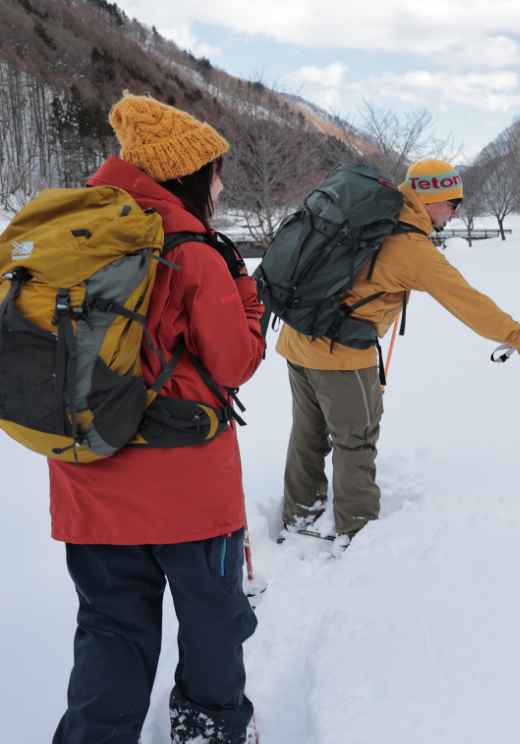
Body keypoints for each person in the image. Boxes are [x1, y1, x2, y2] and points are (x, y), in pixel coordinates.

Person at [48, 93, 265, 743]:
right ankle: (209, 727)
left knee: (111, 629)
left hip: (89, 475)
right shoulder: (194, 249)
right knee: (211, 625)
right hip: (188, 490)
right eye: (216, 172)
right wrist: (249, 298)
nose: (221, 186)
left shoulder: (70, 235)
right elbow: (233, 363)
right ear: (190, 175)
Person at [277, 158, 520, 543]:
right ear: (431, 199)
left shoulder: (374, 214)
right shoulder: (412, 249)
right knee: (356, 439)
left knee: (308, 434)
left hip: (298, 338)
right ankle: (357, 528)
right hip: (340, 357)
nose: (455, 214)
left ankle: (299, 514)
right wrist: (518, 336)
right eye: (453, 204)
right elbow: (467, 301)